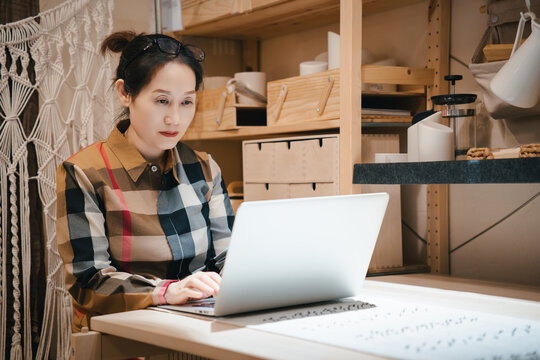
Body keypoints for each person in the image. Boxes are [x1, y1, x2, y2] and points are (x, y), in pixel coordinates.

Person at [56, 31, 234, 332]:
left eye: (187, 102)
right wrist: (165, 291)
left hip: (200, 328)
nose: (175, 119)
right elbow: (87, 283)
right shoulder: (84, 171)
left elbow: (228, 259)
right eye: (162, 100)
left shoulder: (204, 168)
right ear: (125, 93)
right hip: (123, 337)